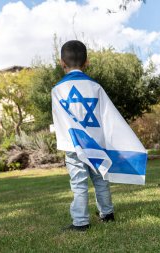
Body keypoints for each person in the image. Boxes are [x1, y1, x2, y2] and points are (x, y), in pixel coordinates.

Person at [52, 40, 115, 232]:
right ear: (86, 62)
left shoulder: (57, 90)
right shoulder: (96, 87)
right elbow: (107, 115)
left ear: (62, 62)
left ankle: (80, 222)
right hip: (96, 143)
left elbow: (60, 121)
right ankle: (107, 213)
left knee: (78, 183)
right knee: (101, 179)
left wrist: (66, 142)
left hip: (74, 145)